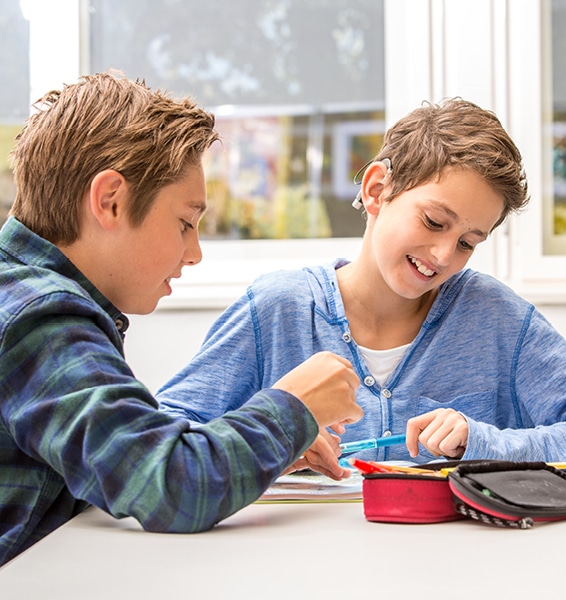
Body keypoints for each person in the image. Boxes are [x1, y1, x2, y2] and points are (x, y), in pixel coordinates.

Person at [157, 98, 566, 479]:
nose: (442, 256)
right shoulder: (276, 311)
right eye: (434, 221)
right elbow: (159, 437)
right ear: (376, 190)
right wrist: (265, 437)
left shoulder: (496, 320)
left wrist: (482, 443)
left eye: (467, 242)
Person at [0, 72, 363, 566]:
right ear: (110, 200)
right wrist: (292, 408)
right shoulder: (40, 317)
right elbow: (173, 485)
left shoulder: (23, 292)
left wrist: (256, 449)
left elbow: (115, 458)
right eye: (185, 223)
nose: (193, 253)